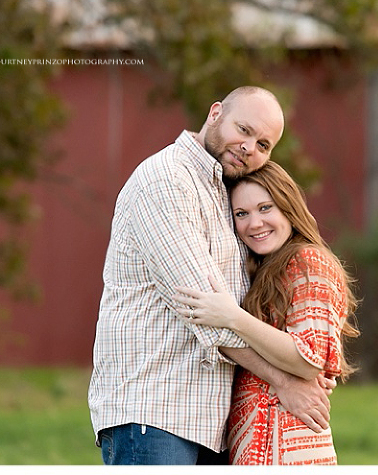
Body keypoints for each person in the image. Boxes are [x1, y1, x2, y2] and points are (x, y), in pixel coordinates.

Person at [88, 86, 335, 465]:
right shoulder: (167, 181)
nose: (250, 147)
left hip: (210, 419)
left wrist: (300, 367)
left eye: (264, 144)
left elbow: (239, 309)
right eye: (245, 130)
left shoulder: (226, 193)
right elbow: (204, 312)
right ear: (215, 113)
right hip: (156, 410)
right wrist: (286, 381)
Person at [173, 161, 360, 465]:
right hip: (260, 439)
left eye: (265, 208)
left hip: (284, 441)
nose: (254, 223)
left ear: (288, 206)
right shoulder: (266, 270)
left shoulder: (308, 262)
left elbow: (308, 359)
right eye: (241, 214)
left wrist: (233, 317)